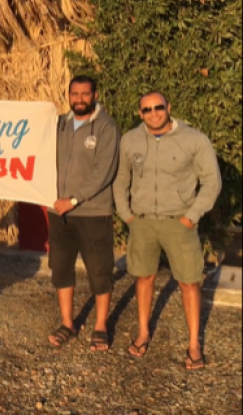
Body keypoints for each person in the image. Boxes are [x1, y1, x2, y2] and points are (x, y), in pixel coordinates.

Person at [114, 91, 221, 371]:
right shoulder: (130, 140)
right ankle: (143, 333)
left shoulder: (194, 140)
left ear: (168, 107)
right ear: (140, 113)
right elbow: (120, 180)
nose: (153, 114)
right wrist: (127, 216)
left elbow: (212, 182)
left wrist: (191, 216)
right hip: (143, 222)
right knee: (144, 278)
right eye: (146, 110)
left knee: (189, 282)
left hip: (180, 222)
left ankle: (194, 345)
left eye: (158, 108)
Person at [46, 76, 121, 351]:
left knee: (99, 270)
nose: (79, 98)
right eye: (74, 93)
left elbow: (104, 171)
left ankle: (100, 325)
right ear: (68, 95)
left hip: (92, 211)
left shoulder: (105, 127)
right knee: (61, 268)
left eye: (84, 94)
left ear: (94, 94)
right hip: (58, 212)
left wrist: (75, 200)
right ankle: (67, 323)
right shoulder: (58, 125)